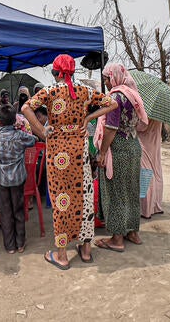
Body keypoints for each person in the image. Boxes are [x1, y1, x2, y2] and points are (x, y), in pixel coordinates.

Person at [22, 54, 117, 270]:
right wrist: (87, 118)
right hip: (80, 150)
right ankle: (85, 250)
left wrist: (42, 130)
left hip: (58, 152)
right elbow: (111, 103)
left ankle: (62, 254)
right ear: (73, 71)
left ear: (56, 72)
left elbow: (26, 107)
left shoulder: (50, 91)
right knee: (83, 195)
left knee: (61, 199)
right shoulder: (85, 91)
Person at [94, 63, 148, 252]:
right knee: (132, 189)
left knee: (116, 192)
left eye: (107, 79)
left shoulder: (115, 97)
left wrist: (101, 152)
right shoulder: (133, 94)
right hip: (133, 145)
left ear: (114, 77)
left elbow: (110, 128)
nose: (106, 82)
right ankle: (132, 232)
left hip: (118, 148)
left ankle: (117, 239)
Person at [0, 104, 36, 253]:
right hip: (18, 178)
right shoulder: (20, 136)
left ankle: (9, 246)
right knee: (18, 210)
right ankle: (20, 243)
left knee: (5, 212)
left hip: (1, 178)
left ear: (0, 121)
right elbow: (33, 140)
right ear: (14, 119)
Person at [139, 118, 164, 218]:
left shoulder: (147, 110)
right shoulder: (159, 111)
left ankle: (147, 210)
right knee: (157, 172)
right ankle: (157, 206)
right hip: (155, 143)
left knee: (146, 173)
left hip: (145, 144)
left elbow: (142, 127)